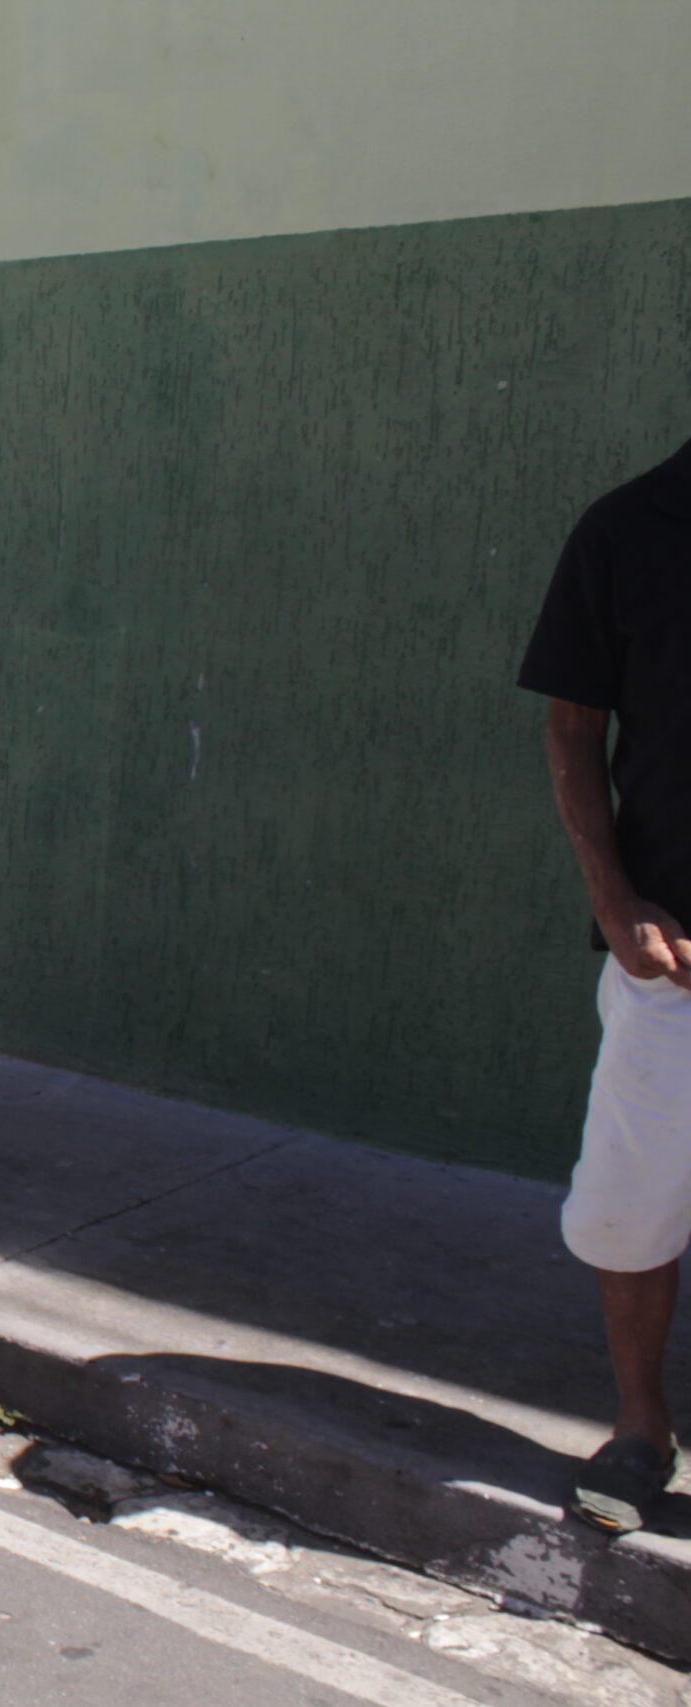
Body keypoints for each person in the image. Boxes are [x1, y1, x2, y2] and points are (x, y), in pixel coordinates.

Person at [519, 434, 691, 1536]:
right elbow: (572, 726)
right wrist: (616, 900)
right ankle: (640, 1427)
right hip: (672, 950)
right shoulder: (628, 529)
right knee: (631, 1202)